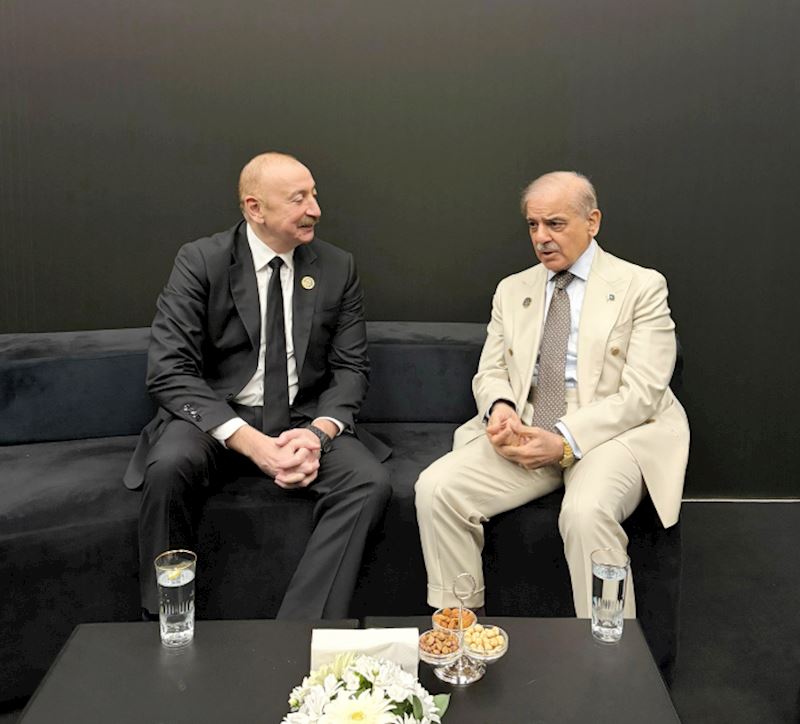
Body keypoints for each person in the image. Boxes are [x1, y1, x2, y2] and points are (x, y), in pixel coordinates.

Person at [124, 152, 392, 620]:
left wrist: (318, 433)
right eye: (298, 199)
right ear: (255, 208)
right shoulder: (201, 261)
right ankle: (166, 621)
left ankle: (299, 631)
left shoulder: (336, 267)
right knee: (168, 467)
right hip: (217, 418)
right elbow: (169, 370)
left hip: (301, 419)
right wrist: (251, 443)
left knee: (369, 482)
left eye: (314, 195)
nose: (315, 210)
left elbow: (351, 367)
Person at [415, 171, 689, 618]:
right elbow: (491, 370)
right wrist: (501, 408)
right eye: (533, 225)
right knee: (437, 489)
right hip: (530, 426)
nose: (541, 237)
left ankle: (609, 646)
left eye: (555, 224)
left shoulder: (641, 286)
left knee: (584, 512)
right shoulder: (512, 290)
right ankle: (462, 632)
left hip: (614, 432)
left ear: (592, 221)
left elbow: (643, 393)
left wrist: (564, 440)